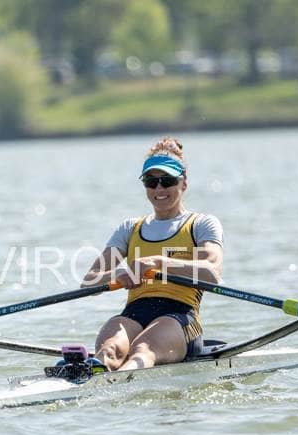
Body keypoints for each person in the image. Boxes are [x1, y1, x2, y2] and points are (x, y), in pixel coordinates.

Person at [82, 137, 223, 370]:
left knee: (142, 350)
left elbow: (211, 274)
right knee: (108, 350)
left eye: (167, 181)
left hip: (180, 316)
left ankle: (119, 378)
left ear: (183, 183)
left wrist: (156, 262)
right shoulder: (130, 228)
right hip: (134, 313)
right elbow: (89, 282)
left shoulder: (202, 224)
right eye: (151, 181)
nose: (159, 188)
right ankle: (96, 374)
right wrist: (120, 274)